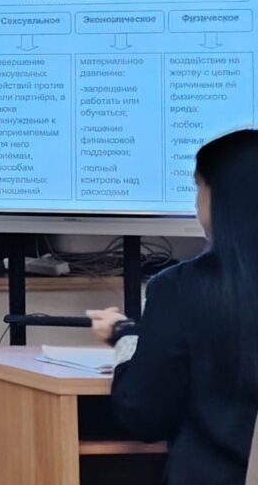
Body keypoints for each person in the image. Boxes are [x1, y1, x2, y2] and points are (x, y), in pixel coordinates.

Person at [87, 129, 258, 485]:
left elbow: (144, 415)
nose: (196, 204)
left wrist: (125, 339)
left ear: (221, 196)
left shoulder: (180, 289)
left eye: (199, 187)